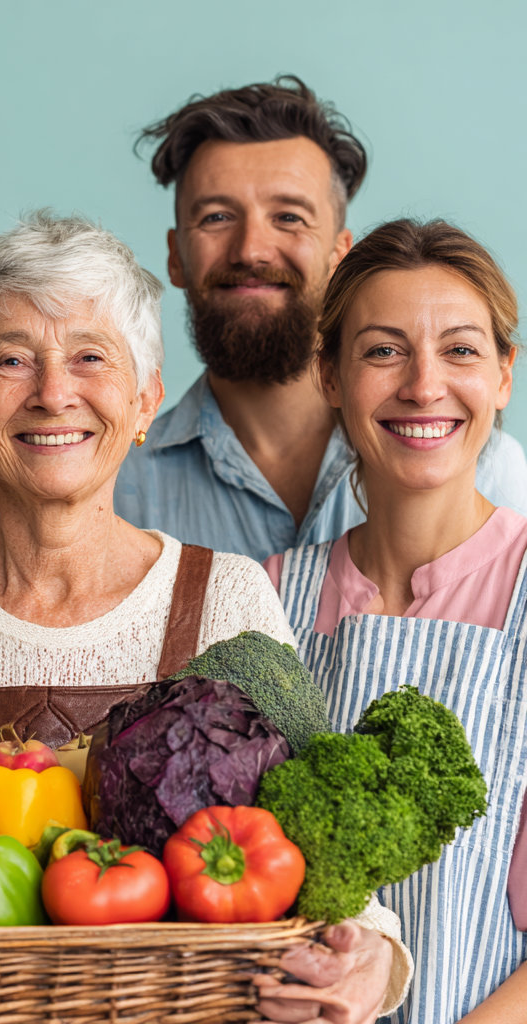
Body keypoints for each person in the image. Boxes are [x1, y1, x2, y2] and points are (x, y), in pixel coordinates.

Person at [0, 211, 410, 1021]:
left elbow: (316, 840)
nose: (53, 392)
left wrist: (376, 953)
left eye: (90, 357)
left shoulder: (227, 600)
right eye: (11, 359)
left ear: (143, 402)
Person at [266, 219, 527, 1021]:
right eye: (383, 351)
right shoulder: (268, 597)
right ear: (331, 376)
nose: (422, 385)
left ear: (504, 376)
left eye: (460, 350)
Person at [114, 77, 527, 563]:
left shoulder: (483, 464)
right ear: (175, 256)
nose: (251, 250)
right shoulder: (121, 487)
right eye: (216, 217)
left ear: (340, 255)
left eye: (289, 217)